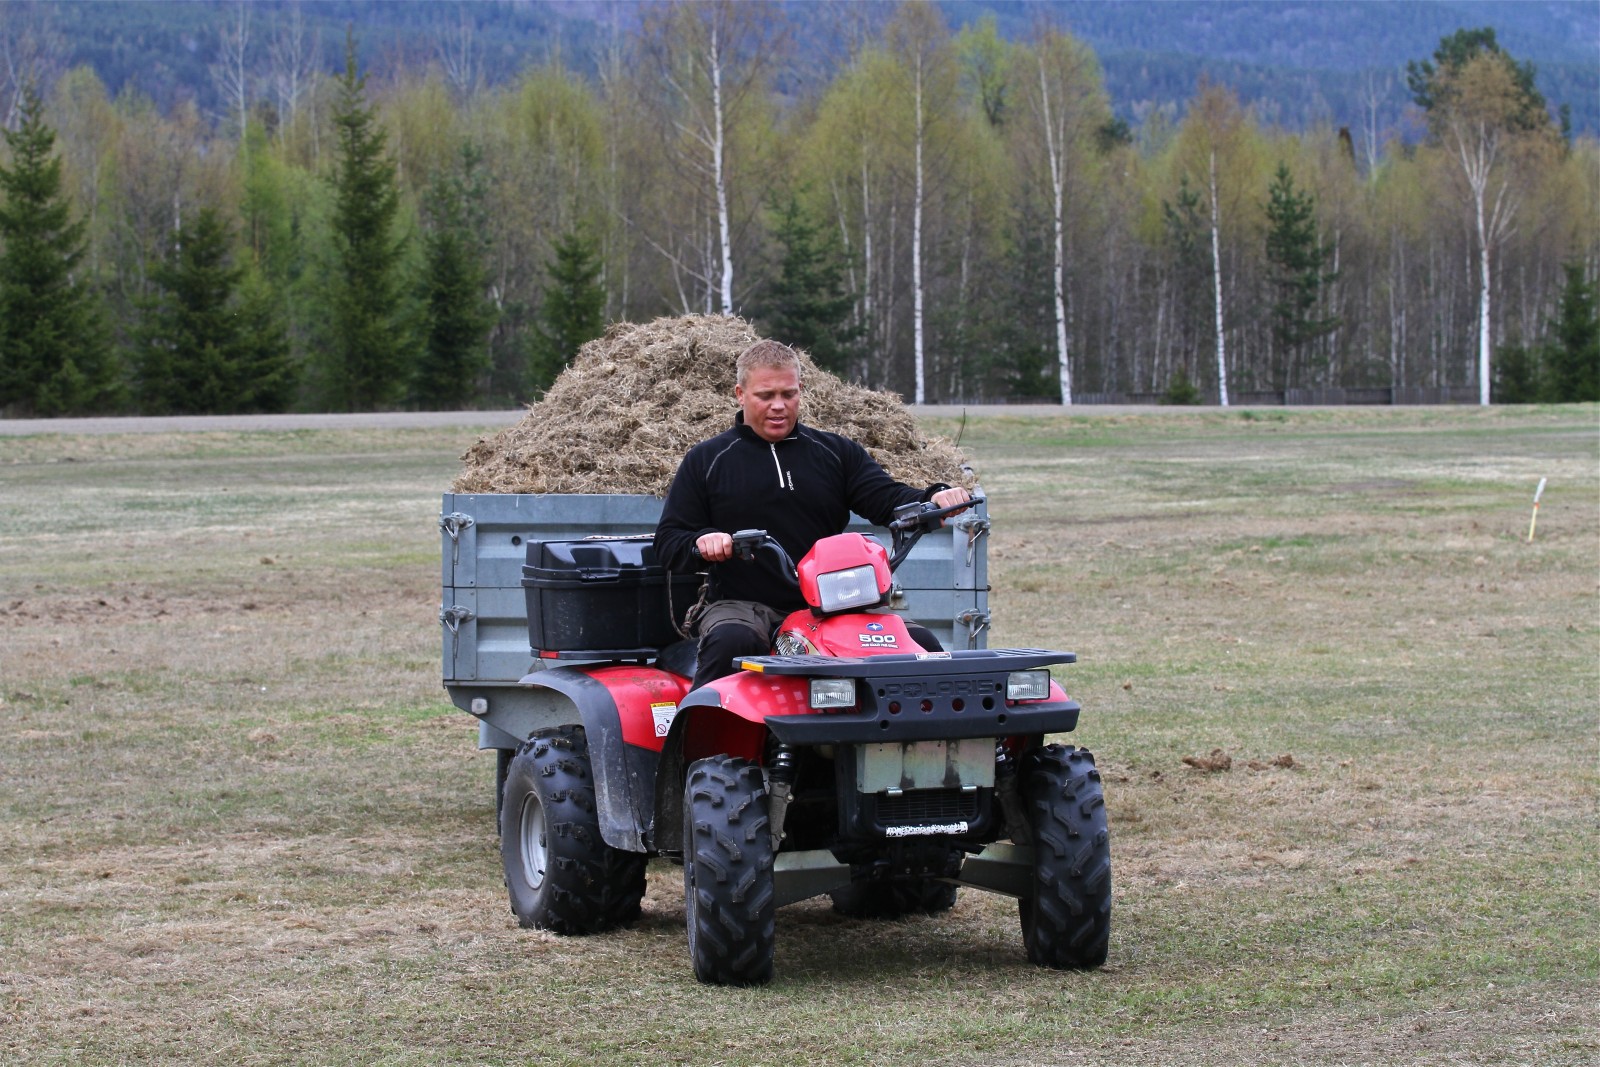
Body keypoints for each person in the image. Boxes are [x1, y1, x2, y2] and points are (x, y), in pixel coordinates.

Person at [653, 339, 971, 690]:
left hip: (836, 605)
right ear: (740, 394)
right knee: (731, 643)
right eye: (765, 395)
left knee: (921, 644)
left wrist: (933, 497)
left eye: (788, 394)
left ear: (800, 391)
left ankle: (933, 725)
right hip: (743, 604)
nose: (778, 406)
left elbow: (887, 498)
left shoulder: (835, 452)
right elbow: (669, 541)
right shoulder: (707, 460)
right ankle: (702, 727)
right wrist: (703, 542)